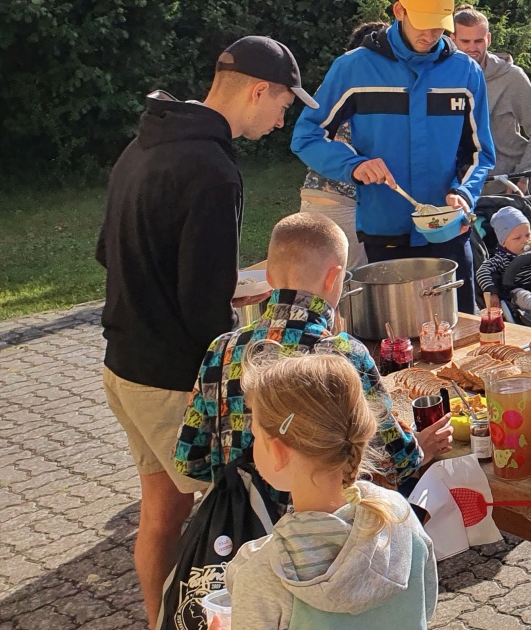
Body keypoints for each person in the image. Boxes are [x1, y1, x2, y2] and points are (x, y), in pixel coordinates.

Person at [96, 35, 315, 630]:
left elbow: (109, 254)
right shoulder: (214, 170)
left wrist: (216, 286)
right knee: (233, 516)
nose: (281, 121)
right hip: (173, 377)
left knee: (161, 511)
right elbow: (201, 309)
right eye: (283, 105)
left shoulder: (144, 144)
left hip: (122, 365)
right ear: (258, 90)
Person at [212, 352, 444, 630]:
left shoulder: (264, 573)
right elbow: (423, 608)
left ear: (277, 452)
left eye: (255, 434)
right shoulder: (399, 515)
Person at [172, 212, 451, 521]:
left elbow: (189, 459)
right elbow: (398, 458)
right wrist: (420, 449)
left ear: (270, 277)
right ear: (333, 277)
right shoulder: (341, 353)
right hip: (322, 533)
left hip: (236, 530)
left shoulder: (221, 348)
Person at [291, 0, 494, 312]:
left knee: (461, 331)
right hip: (384, 234)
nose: (431, 35)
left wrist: (464, 193)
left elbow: (480, 152)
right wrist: (353, 166)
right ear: (399, 11)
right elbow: (307, 136)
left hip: (449, 231)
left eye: (439, 27)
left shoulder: (465, 73)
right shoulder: (353, 68)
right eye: (423, 24)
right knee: (392, 334)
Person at [297, 23, 389, 272]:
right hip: (344, 205)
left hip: (313, 199)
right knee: (354, 286)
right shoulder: (370, 89)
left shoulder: (334, 84)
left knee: (317, 285)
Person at [453, 5, 531, 178]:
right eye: (465, 41)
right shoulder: (441, 78)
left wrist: (523, 174)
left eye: (478, 41)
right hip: (455, 184)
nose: (472, 48)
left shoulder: (511, 77)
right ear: (452, 40)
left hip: (504, 182)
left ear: (488, 39)